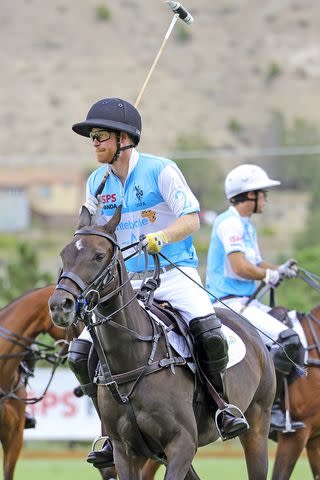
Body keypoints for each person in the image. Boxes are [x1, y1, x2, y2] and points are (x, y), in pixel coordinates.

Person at [67, 97, 249, 468]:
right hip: (124, 284)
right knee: (79, 353)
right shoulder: (96, 182)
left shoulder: (161, 170)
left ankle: (221, 408)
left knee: (208, 332)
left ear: (124, 139)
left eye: (100, 136)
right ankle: (109, 429)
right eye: (93, 137)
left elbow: (192, 218)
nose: (95, 143)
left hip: (172, 272)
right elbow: (89, 231)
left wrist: (162, 237)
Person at [205, 163, 305, 433]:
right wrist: (265, 275)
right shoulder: (229, 223)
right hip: (229, 303)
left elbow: (257, 263)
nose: (266, 198)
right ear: (249, 195)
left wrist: (280, 270)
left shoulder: (246, 226)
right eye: (263, 193)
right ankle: (269, 409)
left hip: (246, 301)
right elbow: (239, 266)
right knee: (288, 340)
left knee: (294, 330)